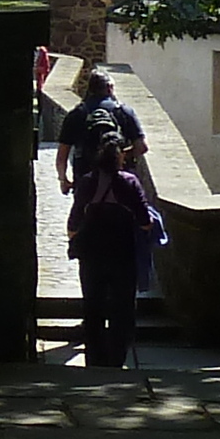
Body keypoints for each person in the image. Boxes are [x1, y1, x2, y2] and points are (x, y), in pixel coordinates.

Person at [65, 130, 154, 368]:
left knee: (93, 307)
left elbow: (73, 224)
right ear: (121, 155)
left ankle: (94, 359)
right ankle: (116, 359)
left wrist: (77, 239)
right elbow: (145, 221)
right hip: (122, 254)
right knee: (122, 309)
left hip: (92, 255)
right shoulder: (129, 183)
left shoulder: (86, 182)